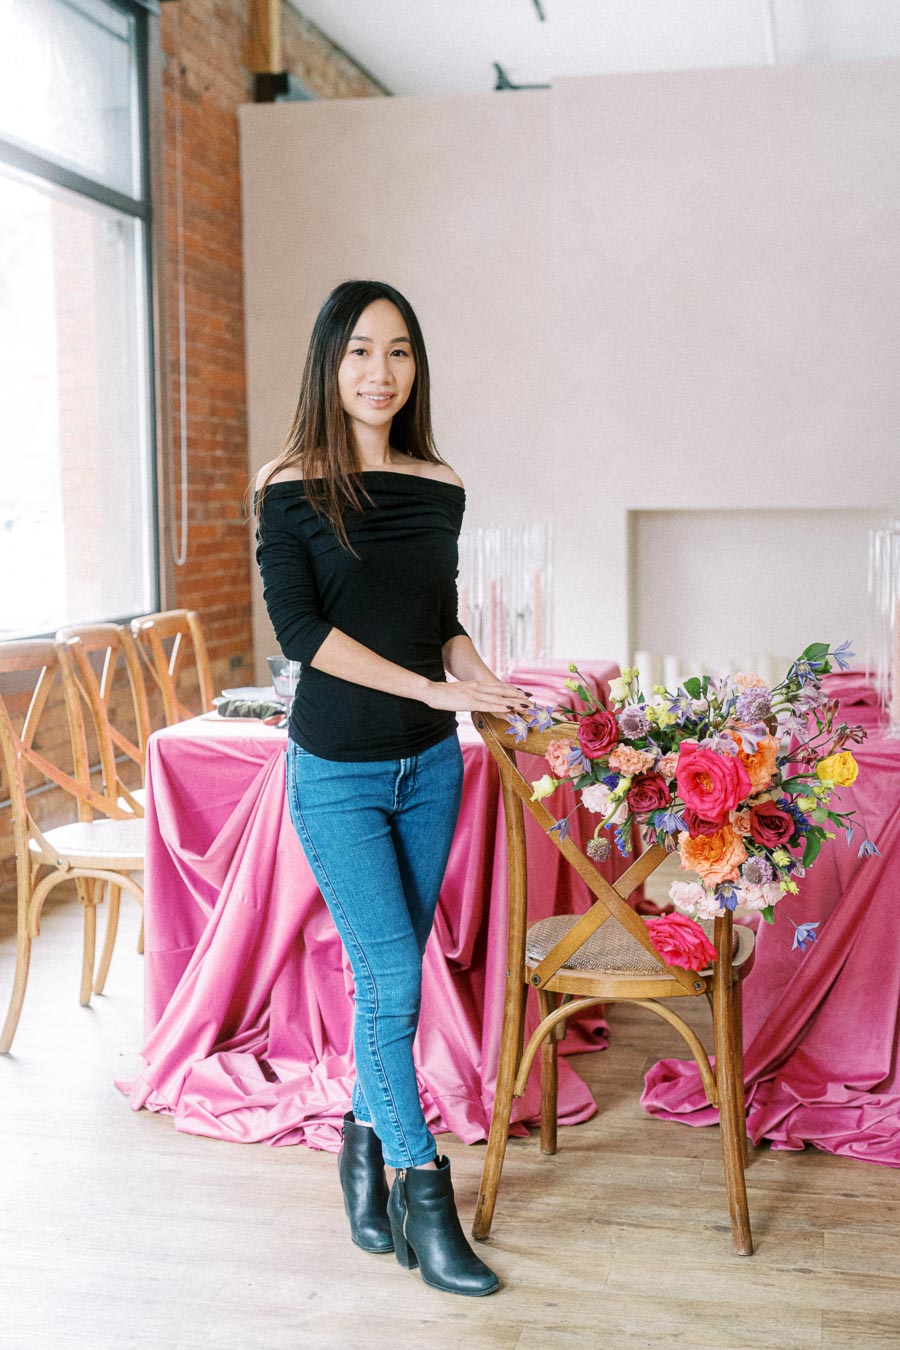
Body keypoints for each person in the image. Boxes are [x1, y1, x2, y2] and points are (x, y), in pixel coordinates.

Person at [254, 280, 532, 1297]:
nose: (381, 371)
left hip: (432, 770)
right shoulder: (289, 484)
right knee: (393, 982)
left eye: (400, 352)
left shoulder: (438, 480)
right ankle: (426, 1196)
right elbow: (303, 635)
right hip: (337, 772)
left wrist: (479, 677)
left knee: (394, 977)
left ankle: (359, 1149)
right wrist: (431, 684)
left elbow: (436, 614)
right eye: (362, 351)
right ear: (331, 363)